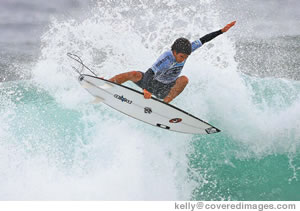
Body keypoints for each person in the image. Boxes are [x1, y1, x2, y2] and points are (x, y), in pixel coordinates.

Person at [109, 21, 236, 103]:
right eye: (181, 56)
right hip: (152, 83)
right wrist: (146, 89)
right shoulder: (166, 57)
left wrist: (221, 31)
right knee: (134, 74)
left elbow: (203, 40)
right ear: (174, 52)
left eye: (186, 57)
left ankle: (164, 105)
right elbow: (149, 72)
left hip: (165, 88)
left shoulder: (187, 49)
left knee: (184, 79)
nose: (183, 59)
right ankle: (107, 84)